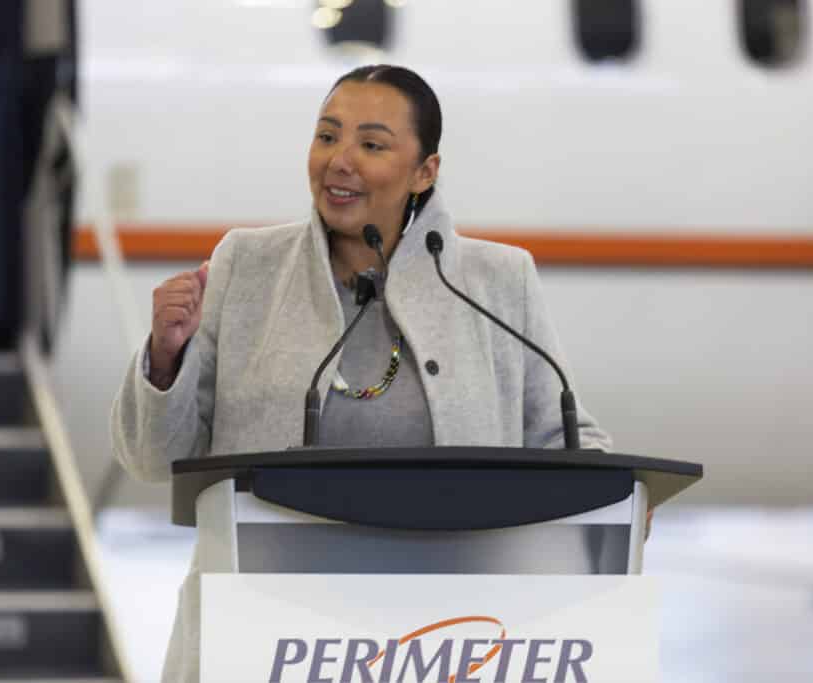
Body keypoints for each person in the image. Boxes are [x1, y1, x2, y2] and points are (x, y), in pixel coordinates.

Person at [111, 64, 620, 682]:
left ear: (424, 171)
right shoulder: (246, 266)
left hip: (443, 640)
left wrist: (623, 495)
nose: (340, 161)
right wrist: (166, 357)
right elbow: (153, 461)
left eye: (372, 145)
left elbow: (563, 438)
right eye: (327, 136)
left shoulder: (497, 281)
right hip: (266, 640)